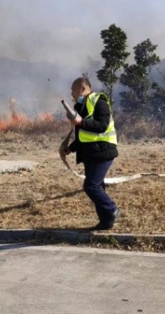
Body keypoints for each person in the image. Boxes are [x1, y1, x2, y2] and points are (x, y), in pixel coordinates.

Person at [60, 77, 120, 230]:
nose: (71, 94)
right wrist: (70, 149)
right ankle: (105, 222)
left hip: (103, 150)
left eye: (73, 90)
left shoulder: (99, 101)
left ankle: (111, 209)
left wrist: (81, 122)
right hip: (91, 153)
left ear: (82, 89)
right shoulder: (81, 107)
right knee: (98, 186)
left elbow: (102, 125)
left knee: (91, 186)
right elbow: (84, 135)